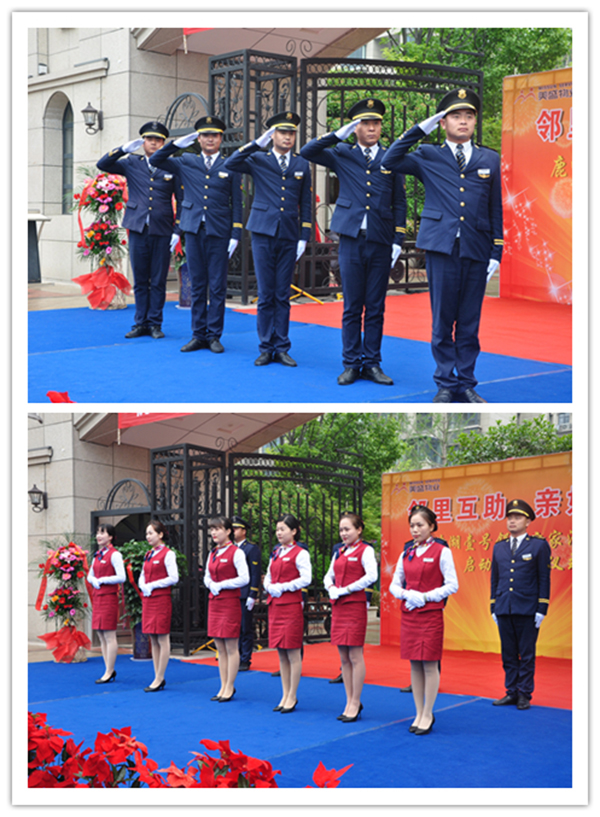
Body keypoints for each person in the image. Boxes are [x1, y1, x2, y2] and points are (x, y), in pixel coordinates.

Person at [382, 89, 504, 403]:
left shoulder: (489, 158)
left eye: (469, 116)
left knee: (469, 321)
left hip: (476, 247)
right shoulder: (428, 155)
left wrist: (497, 251)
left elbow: (495, 207)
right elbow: (389, 159)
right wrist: (420, 129)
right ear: (443, 122)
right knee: (442, 319)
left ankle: (467, 382)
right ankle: (445, 383)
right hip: (441, 247)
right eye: (455, 116)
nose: (463, 122)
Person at [300, 98, 406, 386]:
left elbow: (399, 201)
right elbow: (308, 151)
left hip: (380, 239)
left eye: (376, 123)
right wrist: (338, 135)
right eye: (365, 123)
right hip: (350, 239)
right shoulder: (343, 153)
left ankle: (372, 363)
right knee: (352, 306)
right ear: (355, 127)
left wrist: (398, 238)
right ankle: (351, 363)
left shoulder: (391, 157)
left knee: (376, 306)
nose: (372, 128)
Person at [223, 112, 312, 367]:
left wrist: (304, 236)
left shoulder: (301, 163)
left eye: (291, 133)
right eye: (283, 132)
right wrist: (255, 144)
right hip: (262, 232)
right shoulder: (258, 158)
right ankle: (265, 347)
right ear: (272, 135)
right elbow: (231, 162)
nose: (288, 137)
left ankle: (281, 346)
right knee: (265, 293)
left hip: (289, 234)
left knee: (282, 293)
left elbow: (306, 202)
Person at [151, 116, 243, 354]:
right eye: (205, 135)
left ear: (221, 139)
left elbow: (237, 202)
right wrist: (177, 144)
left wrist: (235, 233)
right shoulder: (187, 160)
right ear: (198, 139)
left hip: (219, 231)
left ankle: (214, 335)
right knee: (197, 284)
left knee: (217, 286)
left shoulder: (230, 164)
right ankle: (198, 334)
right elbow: (156, 159)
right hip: (193, 230)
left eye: (214, 135)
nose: (210, 139)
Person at [97, 121, 182, 339]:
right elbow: (103, 164)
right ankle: (140, 323)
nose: (154, 143)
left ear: (163, 143)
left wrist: (177, 229)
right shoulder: (131, 163)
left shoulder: (171, 166)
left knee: (158, 280)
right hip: (137, 227)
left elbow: (181, 200)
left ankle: (155, 323)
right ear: (143, 142)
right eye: (149, 139)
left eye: (158, 140)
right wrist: (122, 149)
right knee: (141, 279)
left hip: (162, 228)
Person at [389, 505, 458, 735]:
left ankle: (428, 713)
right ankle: (418, 712)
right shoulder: (406, 552)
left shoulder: (441, 551)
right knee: (414, 664)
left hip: (430, 615)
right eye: (412, 526)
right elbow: (394, 584)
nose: (415, 530)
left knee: (429, 664)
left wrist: (426, 597)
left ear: (431, 526)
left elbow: (452, 585)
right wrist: (407, 594)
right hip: (410, 614)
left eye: (420, 525)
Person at [490, 499, 551, 710]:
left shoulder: (538, 546)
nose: (512, 521)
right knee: (508, 654)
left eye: (517, 517)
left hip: (527, 609)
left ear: (528, 521)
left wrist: (542, 608)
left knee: (526, 654)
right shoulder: (499, 547)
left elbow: (544, 578)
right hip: (504, 607)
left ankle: (524, 693)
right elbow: (495, 578)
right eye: (510, 517)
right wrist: (493, 606)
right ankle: (511, 692)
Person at [324, 513, 378, 722]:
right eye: (341, 530)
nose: (343, 533)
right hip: (339, 605)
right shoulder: (339, 551)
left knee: (355, 655)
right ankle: (348, 700)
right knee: (344, 658)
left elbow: (371, 575)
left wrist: (346, 589)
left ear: (359, 529)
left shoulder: (366, 550)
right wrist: (331, 587)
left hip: (354, 605)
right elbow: (328, 575)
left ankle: (356, 701)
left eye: (347, 529)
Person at [263, 513, 312, 712]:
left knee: (292, 651)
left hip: (290, 605)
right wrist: (269, 586)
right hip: (275, 604)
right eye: (277, 529)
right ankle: (284, 693)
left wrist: (284, 587)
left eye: (283, 529)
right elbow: (268, 574)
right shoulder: (276, 552)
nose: (279, 533)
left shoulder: (300, 553)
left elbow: (306, 578)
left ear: (294, 531)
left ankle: (292, 695)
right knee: (281, 652)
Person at [203, 516, 249, 701]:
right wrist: (211, 584)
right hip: (215, 601)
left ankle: (230, 685)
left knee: (231, 646)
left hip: (229, 602)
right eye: (212, 529)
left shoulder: (236, 552)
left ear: (228, 531)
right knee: (219, 647)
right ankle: (222, 685)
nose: (214, 533)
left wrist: (222, 584)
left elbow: (244, 578)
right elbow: (206, 575)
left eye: (218, 529)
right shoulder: (213, 553)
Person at [139, 519, 179, 692]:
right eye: (146, 533)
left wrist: (153, 585)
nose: (148, 536)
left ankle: (160, 676)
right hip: (148, 598)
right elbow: (142, 574)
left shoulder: (168, 554)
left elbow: (173, 577)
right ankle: (156, 675)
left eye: (151, 533)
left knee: (162, 638)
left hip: (161, 599)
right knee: (153, 638)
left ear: (160, 534)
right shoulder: (149, 554)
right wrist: (143, 585)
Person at [87, 523, 125, 684]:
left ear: (110, 537)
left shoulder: (115, 555)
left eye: (102, 533)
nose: (99, 536)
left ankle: (110, 670)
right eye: (98, 532)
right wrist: (93, 580)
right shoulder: (97, 555)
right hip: (98, 597)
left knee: (109, 634)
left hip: (108, 597)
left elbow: (121, 576)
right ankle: (107, 668)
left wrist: (102, 580)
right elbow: (89, 575)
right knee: (101, 634)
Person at [231, 516, 261, 671]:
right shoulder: (230, 549)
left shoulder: (250, 548)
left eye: (236, 529)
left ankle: (245, 658)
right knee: (234, 627)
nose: (233, 531)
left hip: (244, 593)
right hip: (233, 594)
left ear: (244, 531)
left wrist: (253, 594)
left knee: (245, 627)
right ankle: (235, 656)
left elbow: (255, 573)